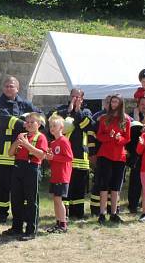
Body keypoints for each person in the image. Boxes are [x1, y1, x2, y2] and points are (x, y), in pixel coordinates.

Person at [0, 76, 36, 223]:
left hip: (23, 151)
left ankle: (21, 214)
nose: (8, 88)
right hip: (5, 151)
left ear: (17, 88)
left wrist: (33, 124)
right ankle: (3, 214)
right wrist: (24, 123)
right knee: (4, 185)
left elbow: (38, 116)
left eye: (11, 86)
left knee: (21, 185)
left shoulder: (25, 103)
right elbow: (3, 119)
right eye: (6, 86)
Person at [46, 89, 93, 220]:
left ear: (82, 99)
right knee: (65, 187)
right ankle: (64, 214)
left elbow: (86, 125)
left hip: (80, 156)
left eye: (78, 97)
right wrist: (69, 110)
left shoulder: (86, 112)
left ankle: (77, 213)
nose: (75, 99)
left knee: (79, 186)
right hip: (63, 157)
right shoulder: (61, 110)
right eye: (73, 96)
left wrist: (77, 111)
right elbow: (53, 121)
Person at [2, 112, 48, 241]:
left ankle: (31, 230)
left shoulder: (41, 137)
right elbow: (10, 153)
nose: (28, 124)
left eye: (31, 122)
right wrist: (17, 143)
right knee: (16, 199)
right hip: (18, 167)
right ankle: (16, 227)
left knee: (31, 201)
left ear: (38, 124)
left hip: (32, 168)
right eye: (26, 122)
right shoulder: (21, 135)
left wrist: (27, 144)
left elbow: (41, 155)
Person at [95, 95, 132, 225]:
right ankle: (102, 213)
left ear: (121, 103)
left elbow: (127, 138)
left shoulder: (126, 120)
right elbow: (99, 136)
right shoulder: (104, 118)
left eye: (116, 101)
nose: (114, 104)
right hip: (105, 155)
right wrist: (110, 137)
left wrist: (118, 138)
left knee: (116, 186)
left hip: (119, 156)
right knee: (104, 185)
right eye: (112, 101)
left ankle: (114, 213)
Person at [44, 115, 74, 233]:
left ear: (61, 127)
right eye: (50, 126)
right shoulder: (53, 142)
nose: (52, 128)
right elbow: (53, 159)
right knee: (56, 199)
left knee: (58, 199)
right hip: (55, 174)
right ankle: (58, 223)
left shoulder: (64, 141)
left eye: (54, 126)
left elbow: (69, 157)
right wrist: (49, 157)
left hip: (62, 174)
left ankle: (63, 224)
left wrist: (54, 157)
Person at [88, 96, 112, 217]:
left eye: (112, 102)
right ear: (104, 103)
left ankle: (112, 208)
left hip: (114, 156)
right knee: (99, 182)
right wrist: (92, 153)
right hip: (99, 154)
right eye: (108, 102)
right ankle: (96, 210)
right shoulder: (97, 117)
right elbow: (91, 135)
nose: (110, 104)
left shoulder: (120, 117)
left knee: (112, 183)